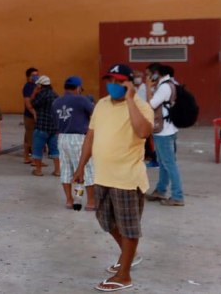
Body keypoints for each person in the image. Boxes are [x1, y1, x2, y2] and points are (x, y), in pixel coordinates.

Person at [73, 63, 154, 292]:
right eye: (111, 80)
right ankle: (130, 254)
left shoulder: (140, 106)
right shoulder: (101, 104)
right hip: (102, 176)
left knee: (129, 228)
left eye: (120, 81)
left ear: (129, 83)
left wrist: (130, 99)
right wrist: (81, 167)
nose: (114, 85)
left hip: (127, 178)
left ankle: (124, 275)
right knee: (106, 221)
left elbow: (143, 132)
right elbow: (90, 136)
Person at [53, 76, 96, 210]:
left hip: (62, 138)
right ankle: (90, 202)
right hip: (78, 138)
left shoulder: (56, 102)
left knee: (66, 169)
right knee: (86, 169)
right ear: (78, 88)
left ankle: (69, 200)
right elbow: (95, 114)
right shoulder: (81, 100)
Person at [145, 64, 185, 206]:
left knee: (169, 164)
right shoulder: (172, 83)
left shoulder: (164, 87)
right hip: (170, 128)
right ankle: (160, 190)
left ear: (156, 73)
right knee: (163, 162)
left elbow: (150, 105)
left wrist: (149, 88)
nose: (148, 77)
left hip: (164, 131)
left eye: (149, 74)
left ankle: (177, 196)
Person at [31, 75, 60, 176]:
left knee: (37, 149)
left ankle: (38, 171)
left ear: (40, 85)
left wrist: (34, 93)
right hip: (54, 127)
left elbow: (33, 103)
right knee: (55, 150)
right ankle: (57, 170)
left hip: (42, 126)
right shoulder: (55, 95)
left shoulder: (41, 94)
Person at [22, 67, 39, 164]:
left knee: (27, 138)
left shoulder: (35, 86)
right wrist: (34, 113)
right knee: (33, 138)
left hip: (31, 114)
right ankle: (35, 159)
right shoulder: (28, 87)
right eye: (33, 75)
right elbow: (27, 103)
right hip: (30, 115)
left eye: (37, 75)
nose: (36, 77)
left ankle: (26, 157)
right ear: (28, 77)